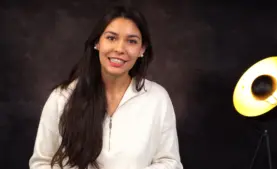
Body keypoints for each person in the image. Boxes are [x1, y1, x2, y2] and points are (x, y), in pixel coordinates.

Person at [29, 5, 183, 169]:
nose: (119, 49)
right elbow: (41, 162)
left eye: (131, 41)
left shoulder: (157, 98)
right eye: (111, 38)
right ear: (97, 43)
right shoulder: (62, 97)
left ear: (142, 49)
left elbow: (170, 162)